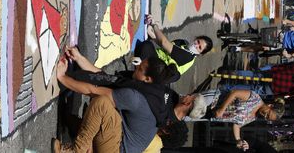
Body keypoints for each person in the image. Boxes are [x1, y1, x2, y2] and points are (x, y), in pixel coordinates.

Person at [56, 56, 199, 153]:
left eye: (139, 69)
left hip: (116, 148)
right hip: (117, 138)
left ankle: (76, 150)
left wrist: (62, 77)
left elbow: (93, 90)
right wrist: (79, 58)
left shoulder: (136, 98)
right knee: (80, 120)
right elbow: (106, 78)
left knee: (102, 103)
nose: (135, 67)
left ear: (148, 80)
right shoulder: (156, 101)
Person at [190, 89, 285, 151]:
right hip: (212, 100)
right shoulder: (254, 98)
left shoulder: (254, 117)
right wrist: (222, 109)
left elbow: (237, 125)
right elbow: (234, 93)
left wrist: (238, 140)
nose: (265, 116)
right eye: (268, 114)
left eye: (267, 118)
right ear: (270, 106)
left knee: (183, 116)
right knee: (184, 104)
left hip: (210, 115)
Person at [134, 14, 213, 76]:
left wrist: (154, 25)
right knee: (145, 46)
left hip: (158, 71)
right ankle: (140, 66)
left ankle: (139, 70)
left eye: (199, 47)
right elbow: (163, 46)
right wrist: (151, 33)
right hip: (156, 60)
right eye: (198, 41)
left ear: (201, 53)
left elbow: (164, 43)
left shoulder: (188, 57)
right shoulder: (183, 43)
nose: (196, 45)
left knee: (146, 46)